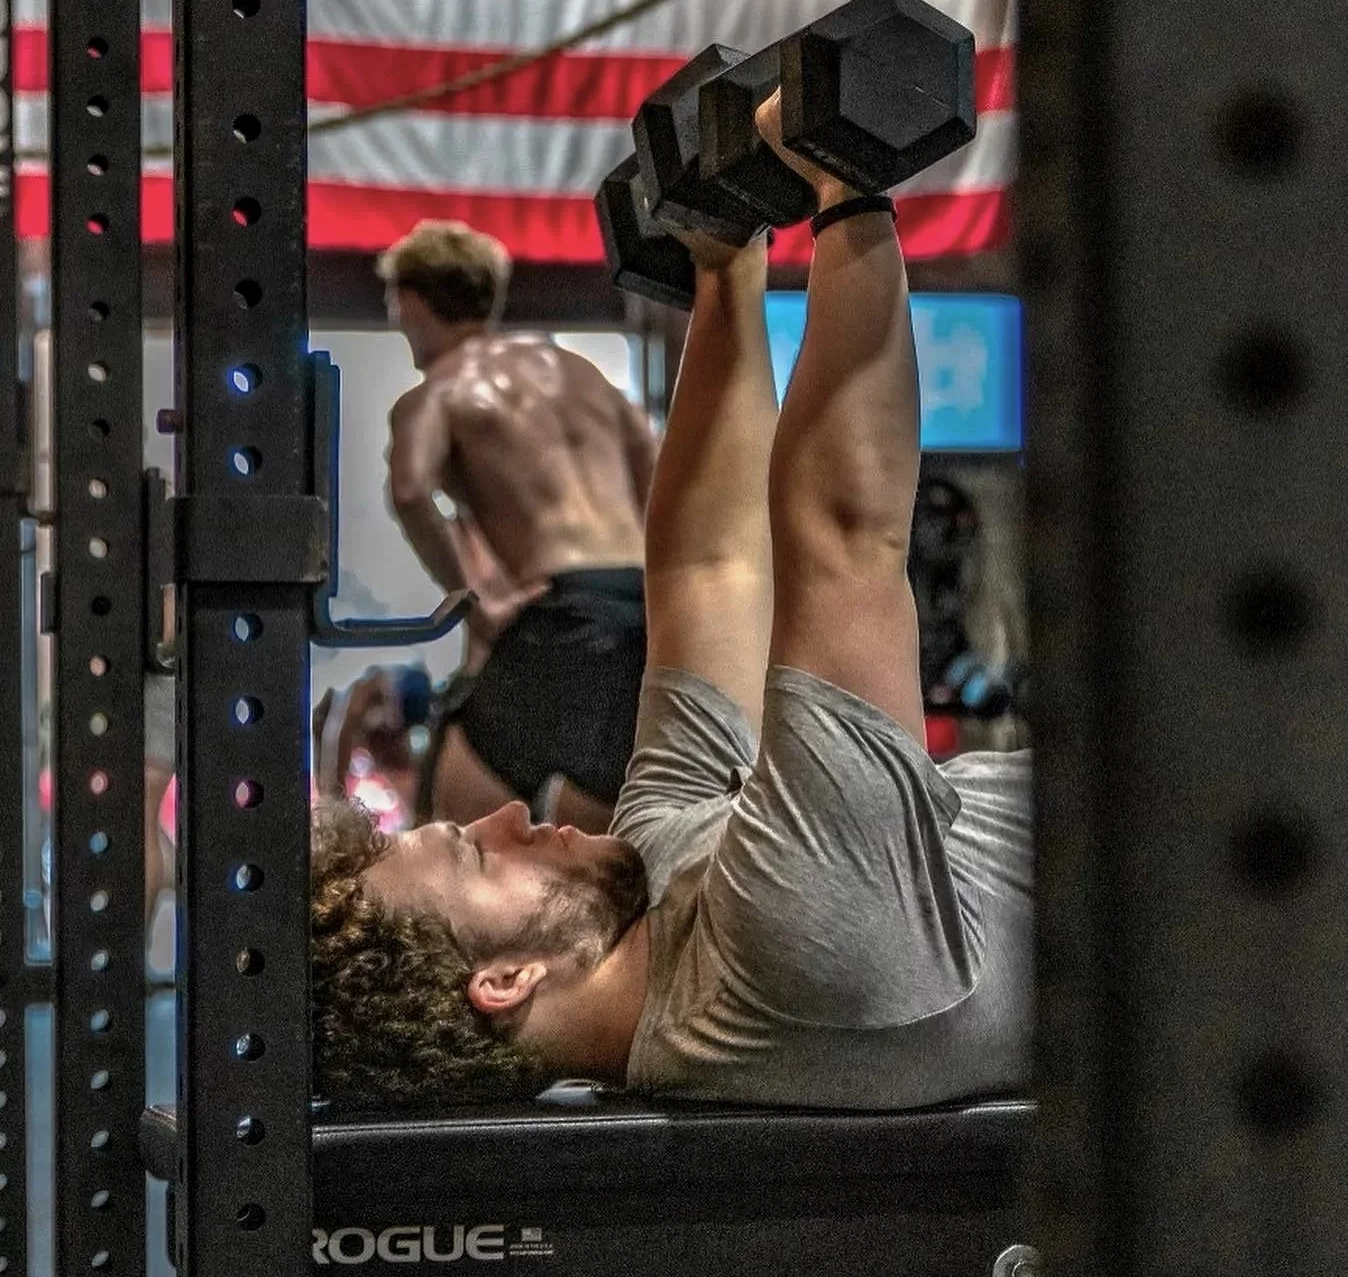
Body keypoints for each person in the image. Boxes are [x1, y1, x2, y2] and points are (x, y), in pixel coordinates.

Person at [312, 100, 1033, 1110]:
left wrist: (723, 261)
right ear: (505, 980)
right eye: (479, 850)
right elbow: (842, 541)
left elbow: (706, 570)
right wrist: (844, 185)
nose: (517, 814)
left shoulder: (652, 874)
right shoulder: (786, 944)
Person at [379, 220, 658, 833]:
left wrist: (473, 603)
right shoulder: (583, 377)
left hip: (559, 609)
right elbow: (661, 480)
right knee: (597, 846)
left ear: (414, 301)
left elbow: (408, 489)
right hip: (644, 612)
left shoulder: (439, 391)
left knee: (451, 829)